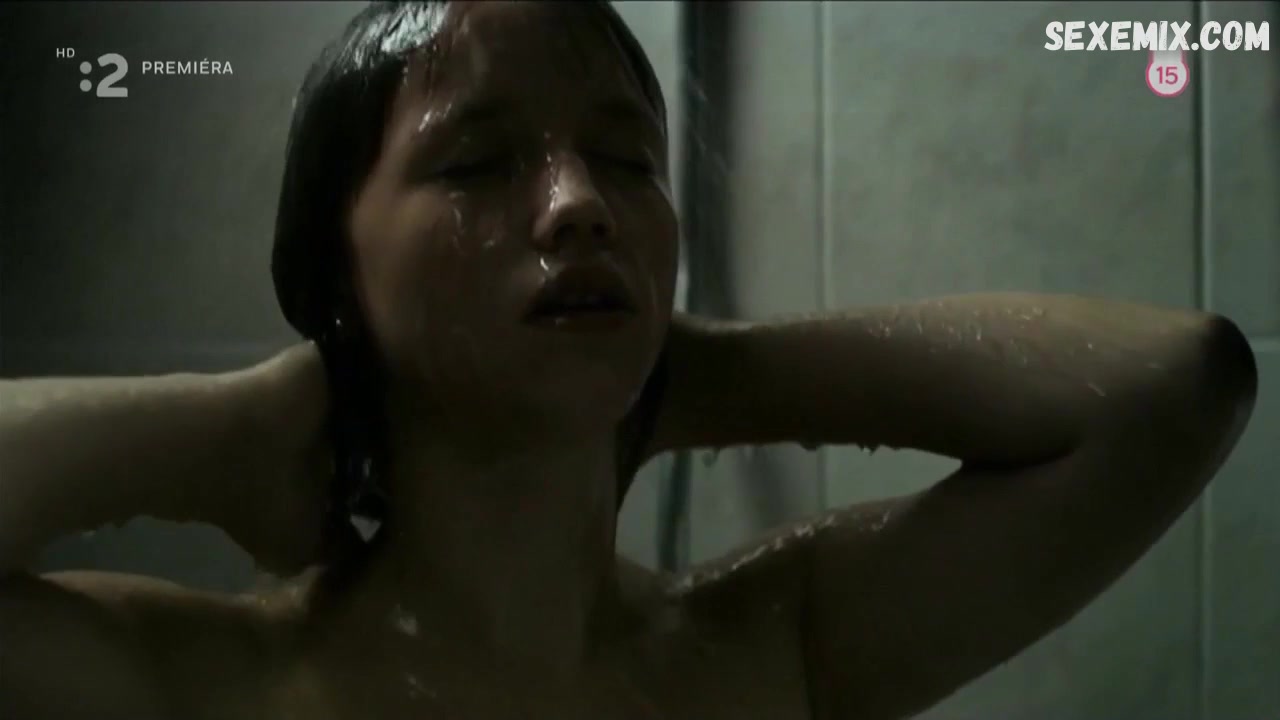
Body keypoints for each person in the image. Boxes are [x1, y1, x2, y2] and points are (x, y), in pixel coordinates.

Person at [0, 2, 1259, 719]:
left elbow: (1172, 386)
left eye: (621, 159)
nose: (577, 205)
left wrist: (695, 372)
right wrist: (231, 430)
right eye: (476, 160)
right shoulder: (200, 682)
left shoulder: (769, 649)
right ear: (335, 272)